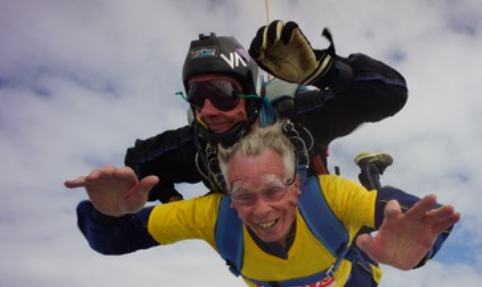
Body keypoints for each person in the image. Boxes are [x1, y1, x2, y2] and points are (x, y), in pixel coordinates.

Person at [65, 122, 461, 287]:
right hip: (319, 271)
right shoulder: (211, 214)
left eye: (274, 189)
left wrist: (422, 251)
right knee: (361, 233)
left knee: (372, 253)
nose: (260, 209)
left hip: (347, 268)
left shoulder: (328, 195)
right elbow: (112, 239)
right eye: (243, 194)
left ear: (296, 185)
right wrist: (107, 214)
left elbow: (415, 217)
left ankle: (369, 178)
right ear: (227, 193)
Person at [124, 20, 408, 202]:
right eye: (197, 97)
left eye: (222, 93)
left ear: (251, 95)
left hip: (319, 216)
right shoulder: (196, 145)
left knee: (366, 271)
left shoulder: (298, 118)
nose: (208, 110)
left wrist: (323, 72)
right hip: (259, 243)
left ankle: (370, 174)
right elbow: (136, 164)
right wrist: (168, 197)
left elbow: (389, 95)